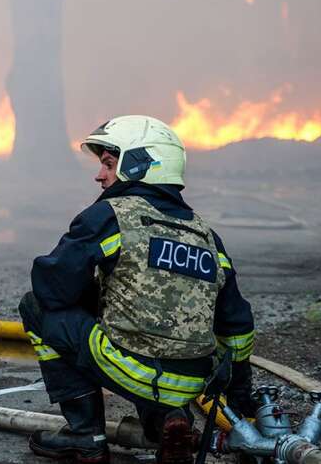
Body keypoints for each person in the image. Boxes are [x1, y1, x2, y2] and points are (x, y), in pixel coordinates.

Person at [19, 115, 256, 464]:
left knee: (35, 308)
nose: (100, 175)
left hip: (133, 370)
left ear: (140, 164)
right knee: (146, 330)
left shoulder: (110, 216)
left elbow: (51, 289)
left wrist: (91, 294)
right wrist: (241, 405)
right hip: (191, 384)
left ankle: (85, 435)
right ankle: (169, 421)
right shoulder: (206, 235)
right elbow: (237, 327)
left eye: (109, 164)